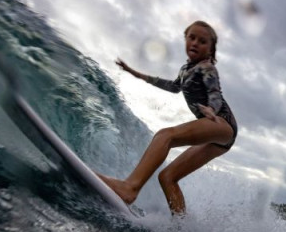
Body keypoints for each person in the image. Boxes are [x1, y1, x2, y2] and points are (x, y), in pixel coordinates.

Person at [97, 20, 237, 215]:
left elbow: (215, 93)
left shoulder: (207, 68)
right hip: (219, 136)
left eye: (203, 41)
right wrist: (135, 73)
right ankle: (182, 231)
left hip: (221, 123)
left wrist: (212, 109)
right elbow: (173, 87)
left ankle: (130, 187)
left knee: (165, 135)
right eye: (192, 38)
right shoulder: (186, 69)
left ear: (211, 48)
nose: (195, 43)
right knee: (167, 177)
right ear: (185, 39)